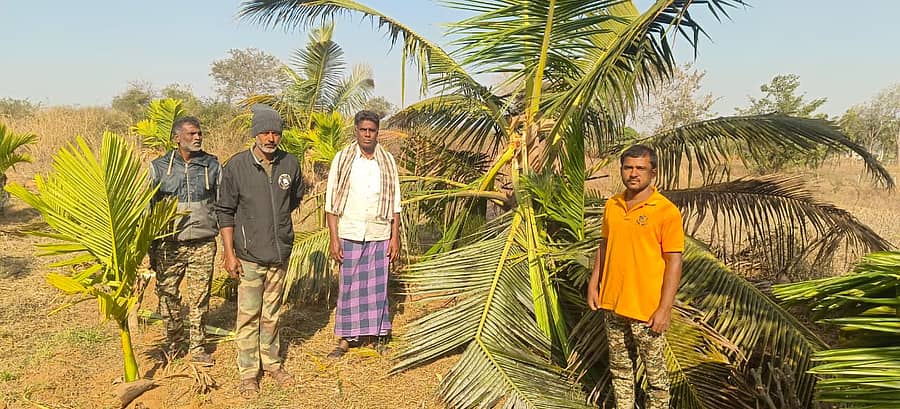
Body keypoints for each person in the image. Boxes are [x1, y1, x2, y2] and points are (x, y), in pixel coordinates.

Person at [586, 144, 684, 409]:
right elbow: (604, 245)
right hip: (612, 303)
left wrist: (665, 309)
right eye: (628, 167)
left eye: (640, 168)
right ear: (621, 170)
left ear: (653, 172)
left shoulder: (665, 211)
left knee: (656, 378)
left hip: (646, 309)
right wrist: (594, 284)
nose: (633, 173)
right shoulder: (613, 205)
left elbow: (674, 261)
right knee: (620, 370)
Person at [216, 104, 303, 398]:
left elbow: (292, 200)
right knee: (249, 316)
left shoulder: (290, 164)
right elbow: (225, 211)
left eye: (275, 133)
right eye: (264, 132)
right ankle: (248, 372)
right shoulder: (237, 167)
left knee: (272, 314)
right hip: (249, 257)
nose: (270, 138)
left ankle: (273, 364)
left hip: (279, 254)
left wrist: (280, 232)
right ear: (255, 134)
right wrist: (229, 253)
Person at [324, 109, 401, 359]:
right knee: (349, 287)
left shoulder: (387, 161)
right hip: (350, 231)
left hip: (379, 232)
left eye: (372, 130)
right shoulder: (343, 159)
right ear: (356, 131)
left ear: (378, 132)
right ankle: (346, 338)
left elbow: (395, 203)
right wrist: (334, 239)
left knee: (377, 288)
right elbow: (331, 202)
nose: (368, 134)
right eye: (363, 130)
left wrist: (395, 237)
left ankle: (377, 335)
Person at [148, 116, 221, 364]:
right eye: (191, 134)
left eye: (199, 133)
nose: (197, 137)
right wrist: (150, 250)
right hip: (169, 245)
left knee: (200, 297)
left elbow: (223, 204)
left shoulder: (212, 165)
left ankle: (198, 347)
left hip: (203, 242)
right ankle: (174, 343)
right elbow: (148, 209)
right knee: (167, 295)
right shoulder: (159, 168)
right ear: (176, 138)